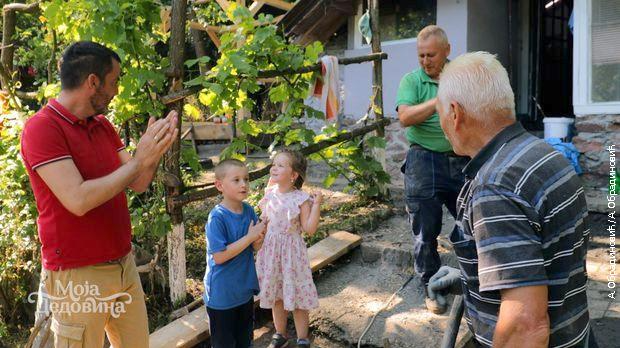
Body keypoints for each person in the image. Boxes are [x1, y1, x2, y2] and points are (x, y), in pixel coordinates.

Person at [428, 51, 595, 347]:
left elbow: (525, 327)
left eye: (438, 112)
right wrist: (472, 281)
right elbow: (549, 258)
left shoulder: (494, 186)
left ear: (454, 113)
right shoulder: (544, 155)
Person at [20, 41, 178, 347]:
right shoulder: (42, 128)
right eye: (114, 81)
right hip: (77, 275)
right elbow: (78, 199)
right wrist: (139, 160)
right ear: (93, 81)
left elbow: (139, 181)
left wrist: (154, 150)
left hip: (123, 265)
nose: (117, 90)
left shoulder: (103, 125)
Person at [395, 25, 468, 314]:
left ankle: (476, 282)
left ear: (447, 51)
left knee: (472, 223)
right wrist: (437, 101)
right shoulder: (412, 80)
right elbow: (405, 117)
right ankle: (430, 284)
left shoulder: (462, 77)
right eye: (421, 55)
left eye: (431, 55)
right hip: (422, 160)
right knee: (425, 232)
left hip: (461, 158)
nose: (426, 61)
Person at [256, 149, 322, 348]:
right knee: (277, 295)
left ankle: (302, 338)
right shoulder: (269, 194)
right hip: (271, 253)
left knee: (298, 296)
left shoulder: (300, 199)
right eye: (274, 164)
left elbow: (309, 229)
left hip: (293, 256)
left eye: (280, 165)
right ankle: (280, 334)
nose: (274, 168)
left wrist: (317, 204)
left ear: (293, 175)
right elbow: (264, 221)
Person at [204, 159, 268, 348]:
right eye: (237, 180)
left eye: (246, 179)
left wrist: (259, 238)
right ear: (219, 185)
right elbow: (219, 256)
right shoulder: (217, 217)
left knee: (244, 341)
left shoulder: (248, 210)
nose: (244, 184)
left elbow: (254, 247)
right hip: (222, 296)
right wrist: (250, 237)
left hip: (243, 292)